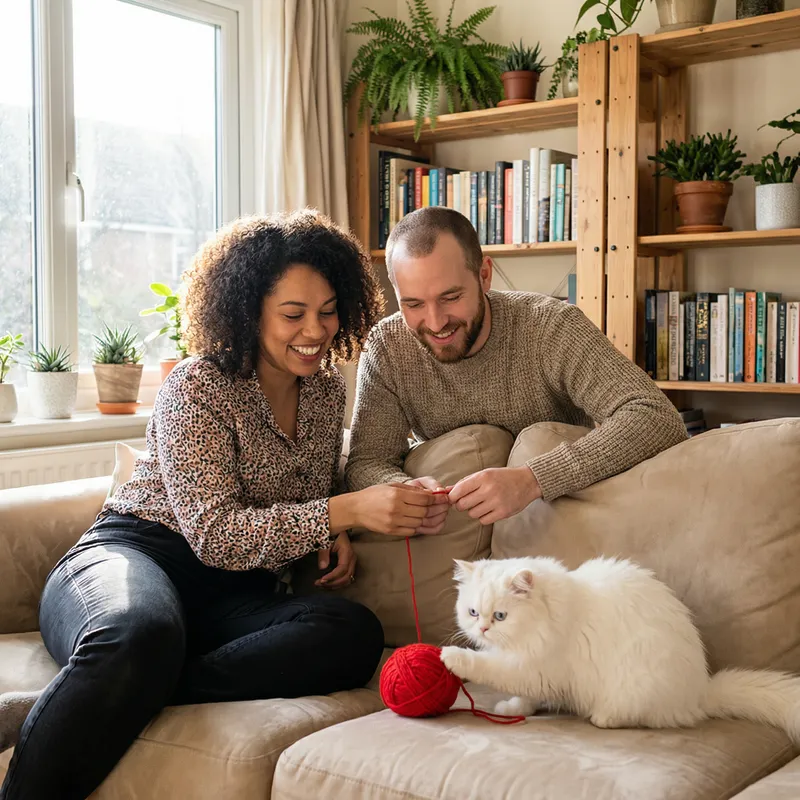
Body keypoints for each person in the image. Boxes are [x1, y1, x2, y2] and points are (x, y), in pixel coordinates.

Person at [0, 210, 438, 800]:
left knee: (351, 633)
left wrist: (327, 518)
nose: (316, 330)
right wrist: (343, 513)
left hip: (235, 597)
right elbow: (215, 533)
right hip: (138, 556)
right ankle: (115, 676)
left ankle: (112, 687)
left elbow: (311, 485)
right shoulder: (196, 386)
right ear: (247, 309)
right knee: (140, 634)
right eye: (293, 314)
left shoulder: (329, 389)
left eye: (328, 310)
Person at [345, 206, 688, 530]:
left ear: (484, 275)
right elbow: (365, 463)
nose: (435, 322)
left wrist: (533, 479)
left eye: (450, 298)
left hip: (556, 522)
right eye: (414, 304)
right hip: (454, 535)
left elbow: (656, 417)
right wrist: (405, 492)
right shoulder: (388, 346)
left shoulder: (551, 326)